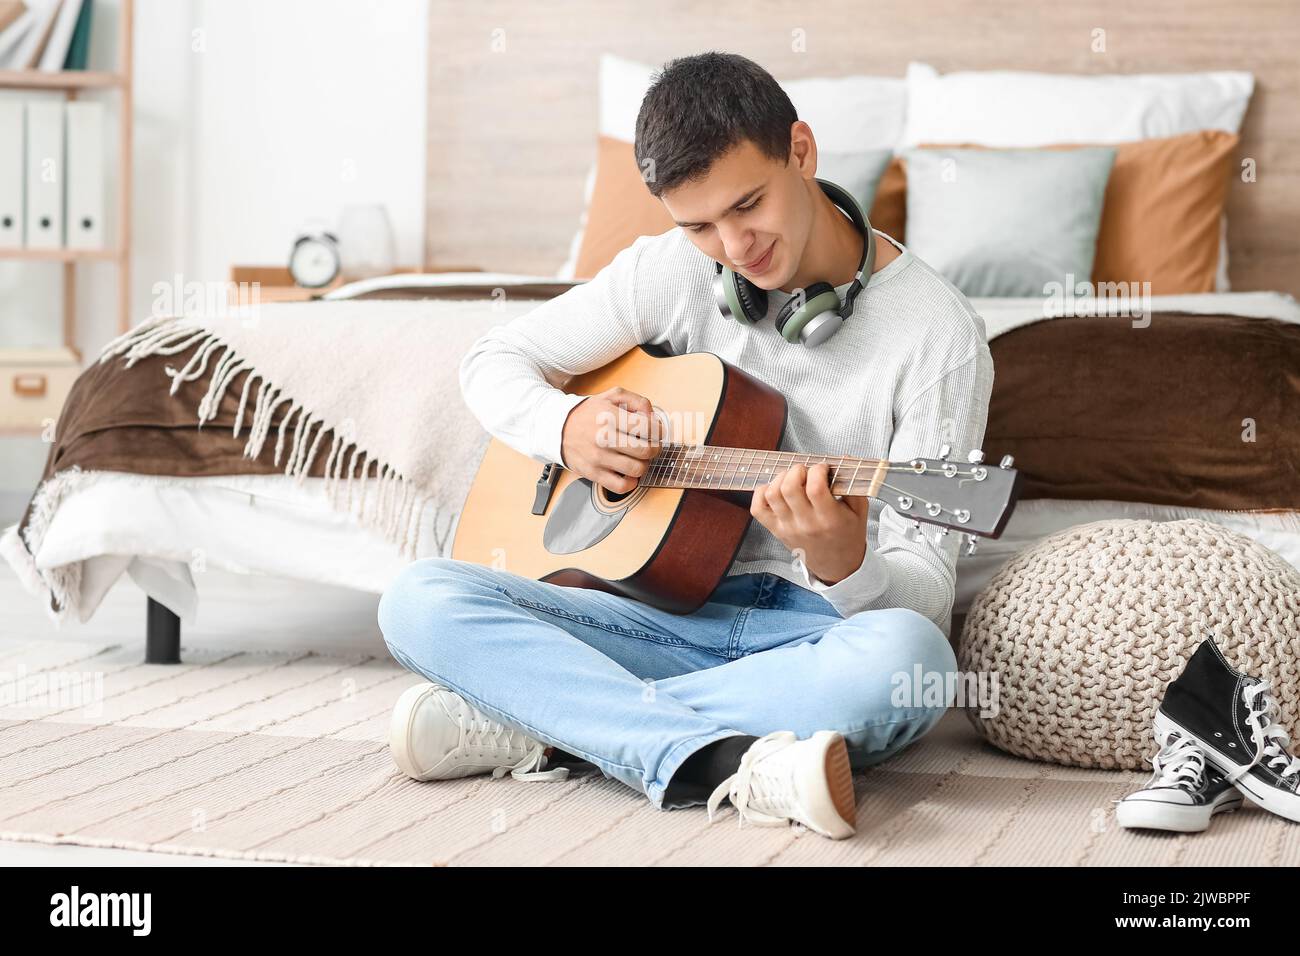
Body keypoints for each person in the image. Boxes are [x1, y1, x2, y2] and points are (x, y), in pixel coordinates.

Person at [378, 51, 993, 840]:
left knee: (910, 662)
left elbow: (929, 592)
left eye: (748, 206)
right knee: (419, 598)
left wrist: (845, 561)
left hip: (808, 634)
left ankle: (549, 723)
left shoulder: (938, 335)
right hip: (649, 618)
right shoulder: (671, 271)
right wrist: (567, 430)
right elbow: (492, 361)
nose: (735, 247)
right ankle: (719, 757)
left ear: (800, 152)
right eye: (700, 225)